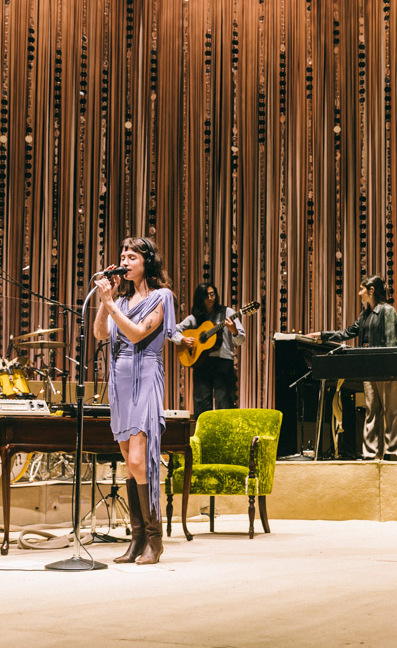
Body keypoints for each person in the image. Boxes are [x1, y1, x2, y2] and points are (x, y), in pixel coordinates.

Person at [93, 237, 177, 565]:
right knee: (130, 463)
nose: (125, 260)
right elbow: (102, 333)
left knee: (141, 461)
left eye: (131, 256)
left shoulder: (162, 297)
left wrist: (112, 305)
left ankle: (154, 540)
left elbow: (138, 334)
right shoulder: (121, 301)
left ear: (146, 261)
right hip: (121, 380)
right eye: (122, 255)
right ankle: (137, 537)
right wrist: (108, 300)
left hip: (146, 377)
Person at [309, 275, 397, 461]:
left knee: (391, 412)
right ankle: (370, 452)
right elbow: (347, 333)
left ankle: (393, 452)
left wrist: (388, 368)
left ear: (371, 290)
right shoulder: (365, 315)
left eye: (362, 289)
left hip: (385, 367)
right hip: (368, 367)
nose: (359, 293)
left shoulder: (387, 311)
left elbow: (392, 342)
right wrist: (322, 335)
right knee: (371, 411)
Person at [174, 283, 246, 415]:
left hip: (223, 363)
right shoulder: (195, 317)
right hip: (202, 363)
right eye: (206, 295)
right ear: (200, 298)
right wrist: (183, 339)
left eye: (212, 294)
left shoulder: (227, 313)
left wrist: (234, 330)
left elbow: (241, 340)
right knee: (201, 405)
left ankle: (224, 435)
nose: (210, 298)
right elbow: (173, 331)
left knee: (224, 405)